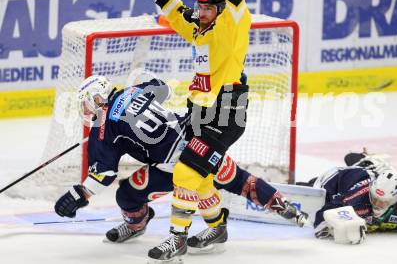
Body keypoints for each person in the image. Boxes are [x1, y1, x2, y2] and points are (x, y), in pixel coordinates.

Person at [54, 76, 308, 250]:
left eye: (87, 103)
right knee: (235, 179)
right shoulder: (133, 91)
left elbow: (103, 175)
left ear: (98, 98)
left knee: (127, 194)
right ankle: (283, 205)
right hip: (198, 138)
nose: (86, 111)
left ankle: (137, 223)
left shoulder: (103, 125)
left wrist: (77, 195)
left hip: (173, 165)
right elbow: (162, 87)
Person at [132, 0, 252, 261]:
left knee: (185, 171)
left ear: (221, 9)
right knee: (201, 177)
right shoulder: (202, 30)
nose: (200, 12)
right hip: (200, 112)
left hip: (225, 112)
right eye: (199, 6)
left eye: (207, 7)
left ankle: (177, 239)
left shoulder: (231, 28)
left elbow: (237, 5)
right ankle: (216, 226)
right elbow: (177, 15)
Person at [307, 151, 397, 244]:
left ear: (396, 199)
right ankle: (366, 162)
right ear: (371, 190)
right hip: (340, 179)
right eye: (374, 198)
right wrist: (331, 227)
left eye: (383, 202)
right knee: (317, 189)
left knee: (367, 169)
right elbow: (322, 216)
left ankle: (367, 162)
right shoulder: (356, 200)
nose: (377, 204)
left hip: (366, 176)